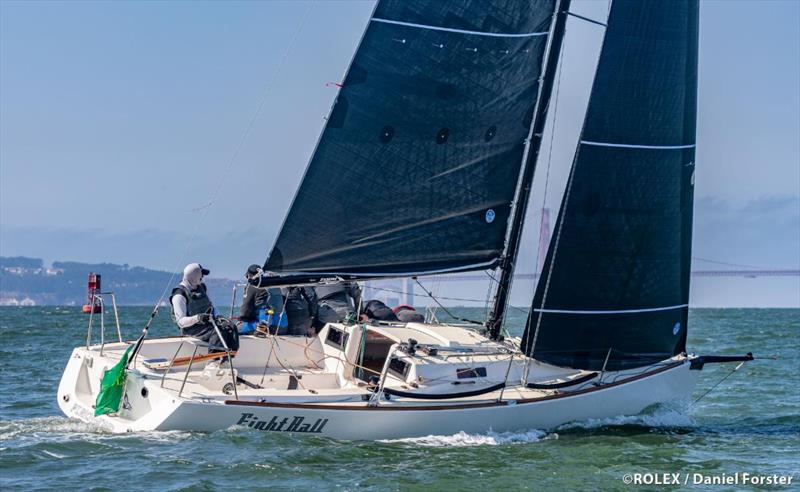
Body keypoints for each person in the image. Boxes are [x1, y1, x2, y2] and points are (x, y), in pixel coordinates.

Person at [171, 263, 239, 354]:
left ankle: (228, 357)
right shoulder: (179, 294)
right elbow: (181, 322)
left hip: (207, 325)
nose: (203, 277)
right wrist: (198, 318)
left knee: (230, 327)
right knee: (218, 330)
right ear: (195, 276)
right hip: (191, 329)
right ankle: (213, 360)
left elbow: (212, 306)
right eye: (201, 275)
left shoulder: (202, 288)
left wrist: (220, 317)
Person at [239, 264, 287, 335]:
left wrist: (244, 319)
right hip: (283, 326)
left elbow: (245, 311)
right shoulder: (274, 284)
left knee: (238, 328)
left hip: (266, 326)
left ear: (249, 276)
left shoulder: (253, 285)